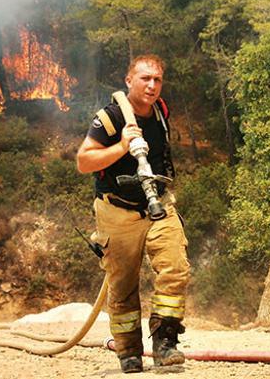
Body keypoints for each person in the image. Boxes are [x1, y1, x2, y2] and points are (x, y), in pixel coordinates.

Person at [76, 54, 190, 373]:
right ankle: (129, 351)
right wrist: (122, 147)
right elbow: (84, 162)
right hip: (117, 210)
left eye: (157, 80)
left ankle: (165, 341)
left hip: (157, 204)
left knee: (175, 268)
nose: (152, 85)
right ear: (129, 81)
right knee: (123, 285)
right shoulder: (111, 117)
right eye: (145, 79)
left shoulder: (161, 112)